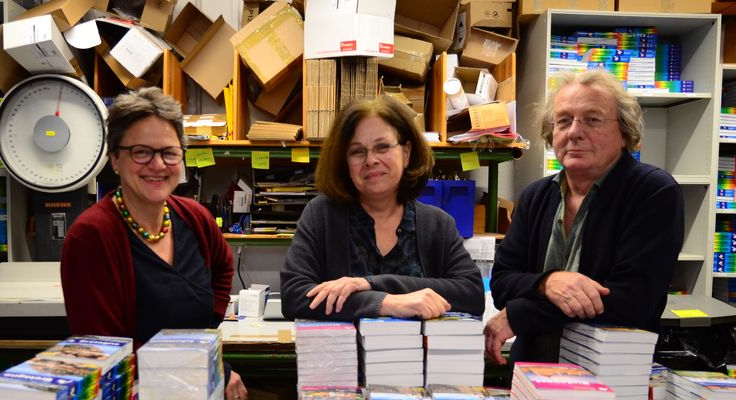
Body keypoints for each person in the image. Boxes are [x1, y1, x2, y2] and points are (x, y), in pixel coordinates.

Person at [484, 70, 685, 375]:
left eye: (592, 119)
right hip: (531, 375)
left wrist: (521, 313)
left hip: (609, 378)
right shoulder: (536, 196)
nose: (575, 132)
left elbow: (631, 300)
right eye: (564, 121)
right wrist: (548, 282)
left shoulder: (652, 192)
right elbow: (502, 283)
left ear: (625, 132)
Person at [60, 87, 247, 400]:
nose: (158, 165)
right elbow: (103, 350)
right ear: (115, 159)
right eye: (141, 152)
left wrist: (208, 348)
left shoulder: (196, 218)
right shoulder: (91, 237)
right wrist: (202, 367)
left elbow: (223, 266)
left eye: (169, 152)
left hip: (194, 384)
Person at [280, 96, 484, 321]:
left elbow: (472, 295)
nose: (371, 160)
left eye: (383, 147)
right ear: (344, 162)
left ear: (406, 153)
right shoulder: (321, 215)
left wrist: (370, 284)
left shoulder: (437, 224)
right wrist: (385, 302)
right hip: (343, 346)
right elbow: (294, 297)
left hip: (417, 346)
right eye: (357, 151)